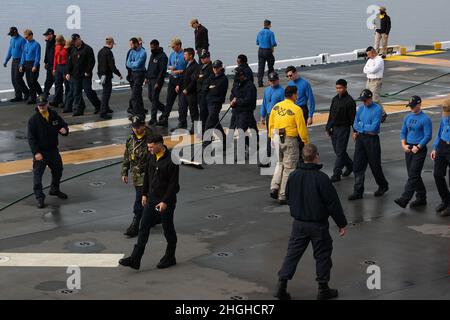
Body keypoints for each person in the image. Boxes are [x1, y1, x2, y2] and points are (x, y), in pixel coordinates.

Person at [274, 143, 347, 301]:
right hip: (318, 225)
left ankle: (281, 285)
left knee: (292, 254)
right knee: (322, 255)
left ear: (302, 157)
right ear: (316, 157)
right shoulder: (321, 178)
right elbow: (332, 203)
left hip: (298, 224)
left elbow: (287, 195)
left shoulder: (293, 175)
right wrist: (341, 223)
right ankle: (323, 288)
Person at [119, 134, 179, 270]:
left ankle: (170, 257)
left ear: (160, 144)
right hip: (152, 198)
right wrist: (144, 194)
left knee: (168, 229)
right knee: (143, 227)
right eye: (148, 147)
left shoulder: (172, 160)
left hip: (165, 201)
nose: (150, 149)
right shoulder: (151, 156)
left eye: (152, 147)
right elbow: (147, 176)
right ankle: (135, 258)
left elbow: (173, 184)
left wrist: (165, 201)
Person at [269, 85, 309, 205]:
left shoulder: (276, 107)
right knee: (289, 167)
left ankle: (274, 186)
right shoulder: (296, 109)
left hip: (276, 136)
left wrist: (271, 137)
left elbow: (270, 123)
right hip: (289, 137)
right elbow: (301, 127)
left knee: (279, 162)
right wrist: (305, 142)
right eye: (296, 94)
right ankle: (283, 194)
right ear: (293, 95)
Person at [27, 94, 69, 209]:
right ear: (37, 106)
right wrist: (36, 153)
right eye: (40, 105)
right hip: (41, 153)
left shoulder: (53, 115)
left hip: (53, 151)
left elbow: (63, 125)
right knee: (37, 177)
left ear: (47, 104)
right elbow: (31, 139)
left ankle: (54, 189)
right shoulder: (33, 121)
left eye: (43, 105)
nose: (42, 107)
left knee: (58, 170)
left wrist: (64, 130)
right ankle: (39, 197)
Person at [348, 89, 389, 200]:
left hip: (372, 140)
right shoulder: (360, 109)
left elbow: (374, 127)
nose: (364, 102)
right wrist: (363, 127)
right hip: (361, 138)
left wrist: (362, 126)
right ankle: (358, 190)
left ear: (371, 99)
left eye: (366, 100)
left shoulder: (377, 109)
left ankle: (383, 185)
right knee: (358, 165)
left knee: (375, 166)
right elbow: (355, 124)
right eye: (363, 101)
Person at [121, 115, 158, 237]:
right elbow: (127, 154)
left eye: (138, 127)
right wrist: (124, 171)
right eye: (133, 127)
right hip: (136, 176)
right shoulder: (130, 139)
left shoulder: (151, 139)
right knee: (146, 199)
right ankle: (156, 217)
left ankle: (135, 224)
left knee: (140, 199)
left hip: (148, 175)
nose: (136, 129)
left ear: (144, 125)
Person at [394, 96, 432, 209]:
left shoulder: (425, 119)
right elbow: (403, 132)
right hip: (408, 148)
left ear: (419, 105)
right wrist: (403, 145)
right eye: (410, 106)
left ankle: (404, 199)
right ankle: (421, 197)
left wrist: (419, 147)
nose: (411, 109)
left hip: (419, 150)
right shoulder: (407, 117)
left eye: (413, 106)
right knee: (413, 175)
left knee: (413, 175)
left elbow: (428, 136)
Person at [325, 79, 356, 182]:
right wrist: (328, 127)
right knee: (338, 151)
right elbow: (331, 114)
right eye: (337, 88)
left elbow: (353, 118)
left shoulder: (350, 101)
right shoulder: (335, 99)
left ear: (345, 87)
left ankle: (336, 173)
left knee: (340, 151)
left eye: (341, 88)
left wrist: (355, 131)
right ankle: (350, 165)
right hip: (334, 128)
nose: (339, 90)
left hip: (344, 128)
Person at [65, 34, 101, 116]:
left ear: (79, 39)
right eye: (73, 42)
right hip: (75, 75)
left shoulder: (87, 49)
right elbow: (69, 62)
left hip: (85, 76)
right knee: (76, 93)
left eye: (75, 41)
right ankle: (78, 110)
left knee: (88, 91)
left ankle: (98, 106)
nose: (74, 43)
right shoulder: (72, 50)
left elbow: (92, 62)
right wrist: (67, 72)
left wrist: (88, 71)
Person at [156, 38, 187, 127]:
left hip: (182, 80)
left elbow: (188, 69)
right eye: (172, 47)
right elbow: (168, 65)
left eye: (174, 47)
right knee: (169, 100)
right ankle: (165, 118)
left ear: (179, 45)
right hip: (173, 79)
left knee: (182, 103)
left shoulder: (184, 55)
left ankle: (182, 121)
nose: (173, 48)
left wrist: (180, 71)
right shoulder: (172, 54)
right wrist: (171, 68)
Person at [230, 66, 258, 156]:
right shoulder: (236, 83)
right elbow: (232, 94)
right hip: (237, 111)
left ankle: (241, 153)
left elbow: (249, 100)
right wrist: (232, 100)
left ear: (242, 75)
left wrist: (236, 101)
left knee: (241, 131)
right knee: (241, 130)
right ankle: (253, 145)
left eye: (237, 75)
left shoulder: (250, 86)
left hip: (246, 111)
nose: (235, 77)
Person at [430, 99, 450, 217]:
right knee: (437, 174)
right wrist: (435, 147)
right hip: (442, 145)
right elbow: (440, 130)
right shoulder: (445, 113)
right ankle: (445, 200)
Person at [172, 47, 199, 134]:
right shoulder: (187, 64)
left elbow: (194, 80)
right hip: (183, 90)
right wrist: (178, 85)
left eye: (185, 55)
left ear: (191, 56)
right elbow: (183, 76)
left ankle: (195, 127)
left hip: (191, 92)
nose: (184, 56)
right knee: (182, 108)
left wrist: (187, 89)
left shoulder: (196, 66)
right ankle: (182, 123)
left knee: (193, 110)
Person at [203, 59, 229, 149]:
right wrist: (209, 87)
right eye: (214, 68)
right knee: (215, 122)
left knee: (209, 123)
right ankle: (225, 140)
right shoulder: (212, 76)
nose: (215, 69)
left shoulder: (223, 79)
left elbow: (216, 91)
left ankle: (206, 145)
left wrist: (210, 88)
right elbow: (204, 86)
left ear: (220, 68)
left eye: (216, 68)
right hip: (209, 101)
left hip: (216, 103)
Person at [260, 72, 284, 165]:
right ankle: (268, 158)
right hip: (269, 116)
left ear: (278, 80)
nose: (272, 82)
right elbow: (264, 103)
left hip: (278, 117)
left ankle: (280, 158)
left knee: (279, 137)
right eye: (271, 81)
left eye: (274, 80)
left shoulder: (282, 91)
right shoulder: (267, 90)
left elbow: (284, 105)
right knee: (269, 137)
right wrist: (262, 115)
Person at [97, 36, 122, 119]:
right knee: (106, 93)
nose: (113, 46)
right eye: (113, 44)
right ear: (110, 44)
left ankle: (106, 108)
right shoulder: (109, 52)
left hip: (101, 74)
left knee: (105, 91)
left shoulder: (100, 51)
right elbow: (111, 65)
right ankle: (103, 112)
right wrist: (118, 74)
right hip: (106, 75)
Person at [3, 26, 29, 102]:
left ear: (15, 32)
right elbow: (10, 50)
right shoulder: (12, 40)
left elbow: (24, 53)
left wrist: (22, 64)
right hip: (14, 61)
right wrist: (6, 60)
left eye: (12, 33)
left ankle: (27, 93)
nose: (11, 35)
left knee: (18, 78)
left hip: (20, 61)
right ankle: (18, 96)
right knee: (13, 79)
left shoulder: (22, 40)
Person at [145, 39, 168, 125]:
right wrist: (146, 76)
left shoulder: (163, 56)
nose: (152, 48)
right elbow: (149, 65)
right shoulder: (152, 54)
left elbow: (162, 71)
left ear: (157, 46)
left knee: (154, 98)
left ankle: (153, 118)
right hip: (150, 79)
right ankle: (164, 109)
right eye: (151, 47)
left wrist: (158, 82)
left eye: (153, 47)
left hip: (157, 80)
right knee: (150, 97)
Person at [230, 54, 254, 130]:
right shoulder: (237, 80)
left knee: (245, 125)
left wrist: (236, 101)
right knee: (235, 123)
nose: (237, 62)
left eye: (238, 61)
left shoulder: (246, 72)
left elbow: (246, 93)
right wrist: (232, 100)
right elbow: (233, 91)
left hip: (244, 108)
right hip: (237, 106)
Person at [364, 46, 387, 122]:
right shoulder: (370, 60)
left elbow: (374, 70)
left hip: (376, 81)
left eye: (369, 54)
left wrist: (368, 69)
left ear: (373, 52)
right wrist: (369, 69)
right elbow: (364, 69)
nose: (368, 56)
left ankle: (383, 113)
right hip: (369, 80)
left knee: (375, 99)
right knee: (366, 97)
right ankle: (371, 114)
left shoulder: (379, 60)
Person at [20, 29, 42, 104]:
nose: (26, 39)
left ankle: (41, 95)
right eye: (25, 37)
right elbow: (23, 55)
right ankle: (33, 98)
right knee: (29, 82)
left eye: (27, 37)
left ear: (31, 35)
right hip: (27, 64)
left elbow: (37, 57)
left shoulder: (36, 44)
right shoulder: (25, 45)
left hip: (33, 64)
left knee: (33, 81)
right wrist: (21, 65)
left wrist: (35, 65)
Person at [126, 37, 147, 117]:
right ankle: (140, 110)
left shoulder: (143, 52)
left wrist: (132, 64)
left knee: (135, 93)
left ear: (136, 44)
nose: (130, 46)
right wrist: (133, 64)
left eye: (131, 44)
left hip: (139, 74)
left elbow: (138, 64)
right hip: (133, 73)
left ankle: (136, 112)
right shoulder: (131, 51)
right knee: (137, 93)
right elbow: (127, 63)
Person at [256, 19, 277, 87]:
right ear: (269, 25)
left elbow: (257, 42)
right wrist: (275, 44)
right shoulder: (271, 33)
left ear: (264, 24)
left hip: (260, 51)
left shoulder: (259, 32)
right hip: (268, 51)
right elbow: (273, 43)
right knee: (270, 66)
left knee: (261, 67)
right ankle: (271, 80)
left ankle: (260, 82)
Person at [196, 51, 213, 132]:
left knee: (204, 112)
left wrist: (200, 78)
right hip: (199, 91)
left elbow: (208, 79)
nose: (202, 59)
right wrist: (199, 77)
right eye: (201, 58)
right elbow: (194, 76)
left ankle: (204, 130)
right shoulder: (200, 66)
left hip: (205, 92)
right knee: (200, 112)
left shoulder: (211, 67)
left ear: (208, 57)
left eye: (204, 58)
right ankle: (200, 130)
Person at [52, 35, 69, 109]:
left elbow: (64, 55)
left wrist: (61, 48)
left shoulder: (67, 47)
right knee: (58, 83)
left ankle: (67, 102)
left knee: (67, 84)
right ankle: (58, 100)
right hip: (59, 66)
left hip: (65, 66)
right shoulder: (57, 47)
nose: (57, 44)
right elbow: (55, 58)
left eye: (58, 42)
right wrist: (54, 68)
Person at [43, 28, 56, 96]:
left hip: (55, 66)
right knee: (48, 80)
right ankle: (45, 94)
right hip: (49, 64)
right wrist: (45, 62)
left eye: (47, 35)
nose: (46, 36)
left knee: (56, 82)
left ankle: (58, 99)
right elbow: (46, 52)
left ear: (51, 35)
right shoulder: (48, 42)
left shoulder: (57, 42)